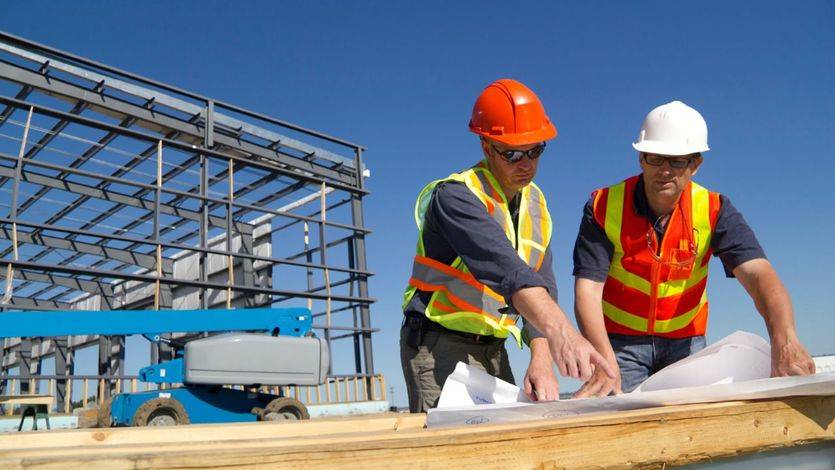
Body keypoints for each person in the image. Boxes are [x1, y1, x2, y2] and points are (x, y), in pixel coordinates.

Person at [572, 100, 816, 397]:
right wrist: (602, 357)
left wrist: (785, 339)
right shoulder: (602, 206)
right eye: (655, 158)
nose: (664, 171)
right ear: (641, 158)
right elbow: (588, 291)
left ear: (695, 165)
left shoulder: (715, 210)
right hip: (619, 344)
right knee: (618, 425)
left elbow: (759, 275)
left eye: (676, 161)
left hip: (686, 343)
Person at [400, 79, 613, 413]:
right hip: (437, 343)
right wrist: (563, 332)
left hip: (493, 347)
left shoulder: (535, 204)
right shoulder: (456, 197)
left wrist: (541, 356)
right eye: (512, 153)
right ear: (486, 147)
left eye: (535, 150)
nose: (525, 163)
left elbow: (541, 282)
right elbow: (509, 272)